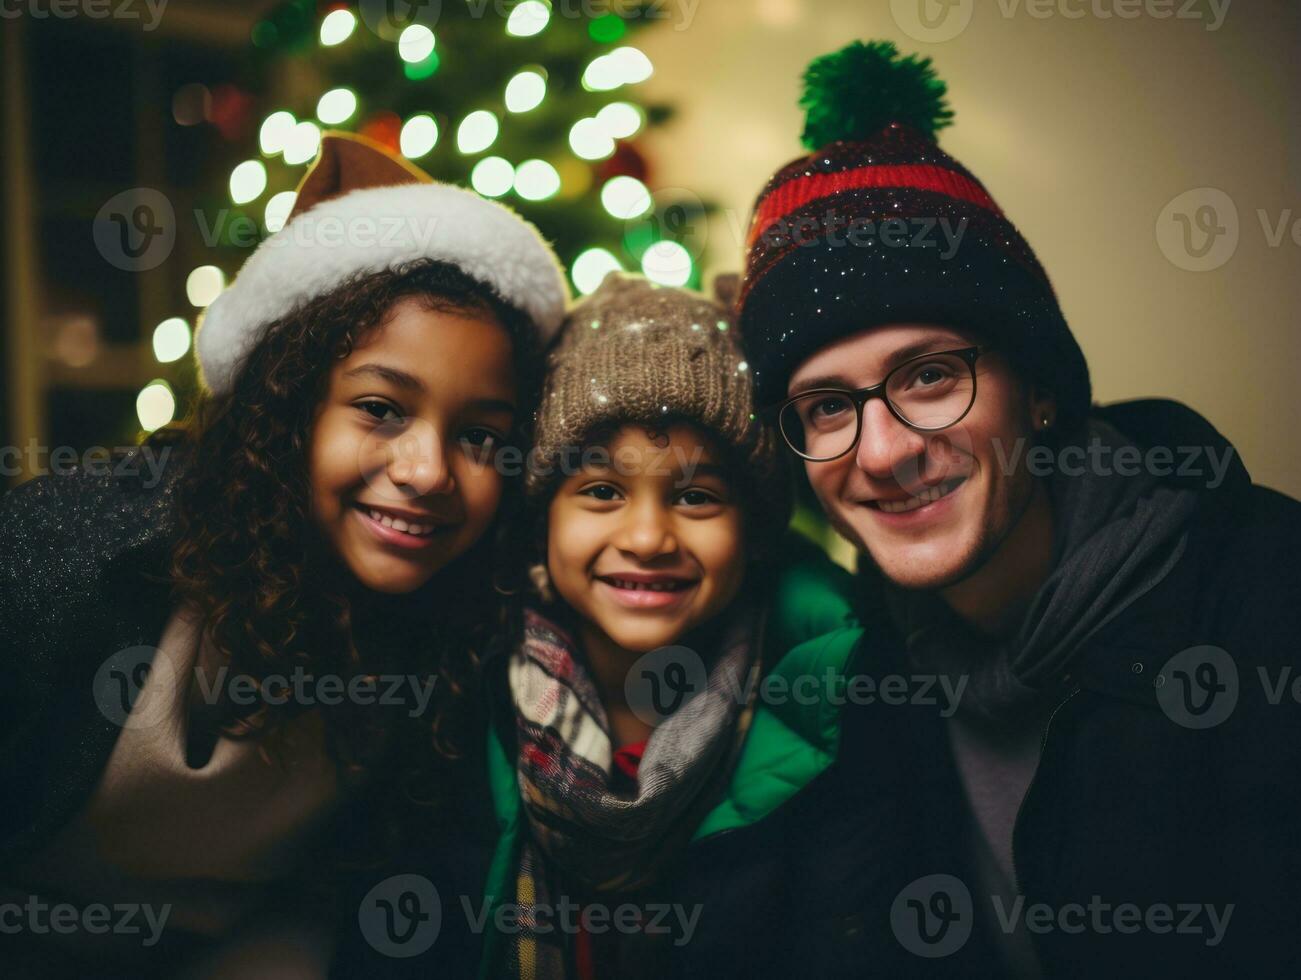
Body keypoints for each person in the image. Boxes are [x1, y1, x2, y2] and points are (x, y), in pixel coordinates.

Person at [734, 40, 1301, 977]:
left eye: (929, 376)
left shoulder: (1262, 597)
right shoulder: (857, 667)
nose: (883, 453)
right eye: (827, 406)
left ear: (1036, 388)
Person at [0, 132, 568, 977]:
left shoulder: (461, 623)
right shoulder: (69, 562)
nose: (427, 472)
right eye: (380, 409)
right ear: (285, 406)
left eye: (481, 435)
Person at [469, 273, 865, 979]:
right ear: (540, 522)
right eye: (600, 491)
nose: (647, 537)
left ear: (754, 533)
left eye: (695, 496)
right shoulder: (457, 705)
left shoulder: (840, 705)